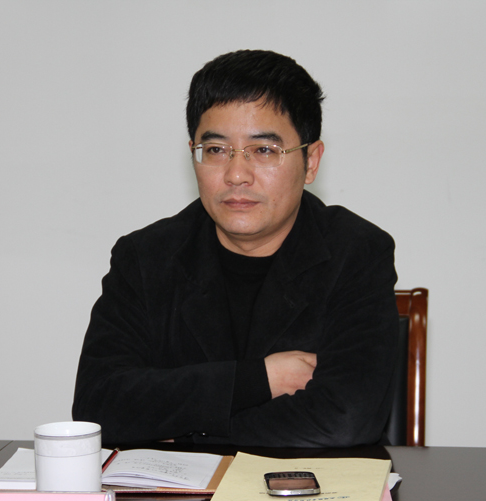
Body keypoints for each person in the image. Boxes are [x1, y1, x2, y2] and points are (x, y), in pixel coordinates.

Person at [72, 50, 399, 448]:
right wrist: (259, 379)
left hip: (307, 487)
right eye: (216, 150)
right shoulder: (144, 258)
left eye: (264, 150)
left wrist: (187, 431)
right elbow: (98, 407)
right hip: (178, 492)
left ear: (310, 162)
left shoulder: (357, 252)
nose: (236, 175)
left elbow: (344, 420)